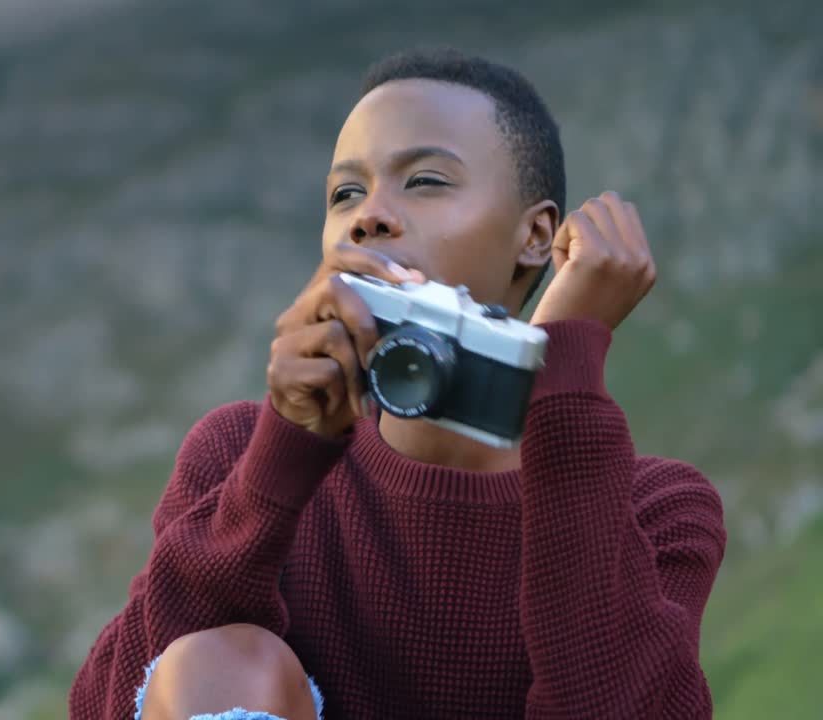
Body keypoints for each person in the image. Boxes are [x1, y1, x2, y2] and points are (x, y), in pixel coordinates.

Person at [69, 47, 726, 720]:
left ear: (535, 236)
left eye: (426, 181)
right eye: (345, 194)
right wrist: (284, 449)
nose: (368, 216)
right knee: (220, 660)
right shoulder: (238, 452)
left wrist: (562, 363)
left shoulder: (656, 510)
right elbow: (114, 702)